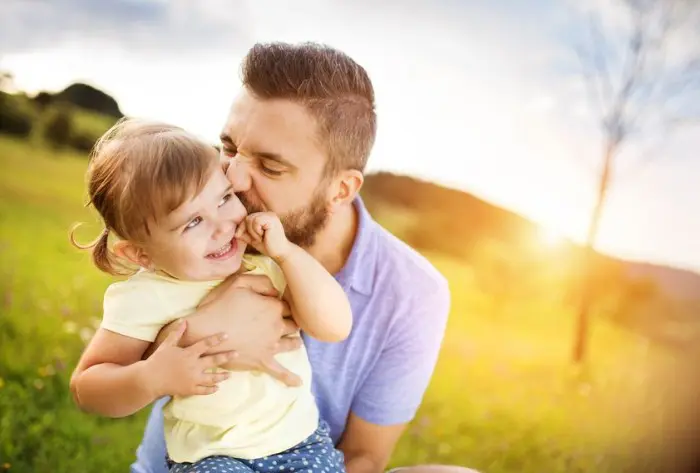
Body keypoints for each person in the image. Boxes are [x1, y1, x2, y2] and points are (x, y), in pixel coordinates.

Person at [133, 42, 474, 473]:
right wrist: (207, 338)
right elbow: (116, 368)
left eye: (270, 167)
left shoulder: (414, 292)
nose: (233, 177)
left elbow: (365, 454)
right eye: (229, 146)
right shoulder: (209, 234)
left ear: (342, 189)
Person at [69, 118, 352, 473]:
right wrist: (150, 377)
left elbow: (335, 326)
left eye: (224, 199)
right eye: (192, 223)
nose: (222, 226)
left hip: (299, 443)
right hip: (211, 458)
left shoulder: (263, 261)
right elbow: (87, 388)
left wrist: (288, 255)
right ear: (142, 254)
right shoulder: (145, 297)